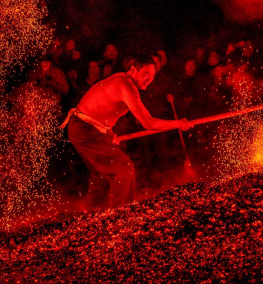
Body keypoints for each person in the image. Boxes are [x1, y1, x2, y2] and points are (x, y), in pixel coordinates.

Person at [63, 54, 191, 210]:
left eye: (152, 76)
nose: (149, 80)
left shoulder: (124, 81)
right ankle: (122, 215)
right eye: (145, 74)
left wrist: (108, 133)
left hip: (87, 128)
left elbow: (103, 109)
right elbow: (148, 122)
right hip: (84, 129)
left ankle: (87, 213)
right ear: (132, 70)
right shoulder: (125, 86)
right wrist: (177, 123)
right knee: (125, 169)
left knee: (102, 175)